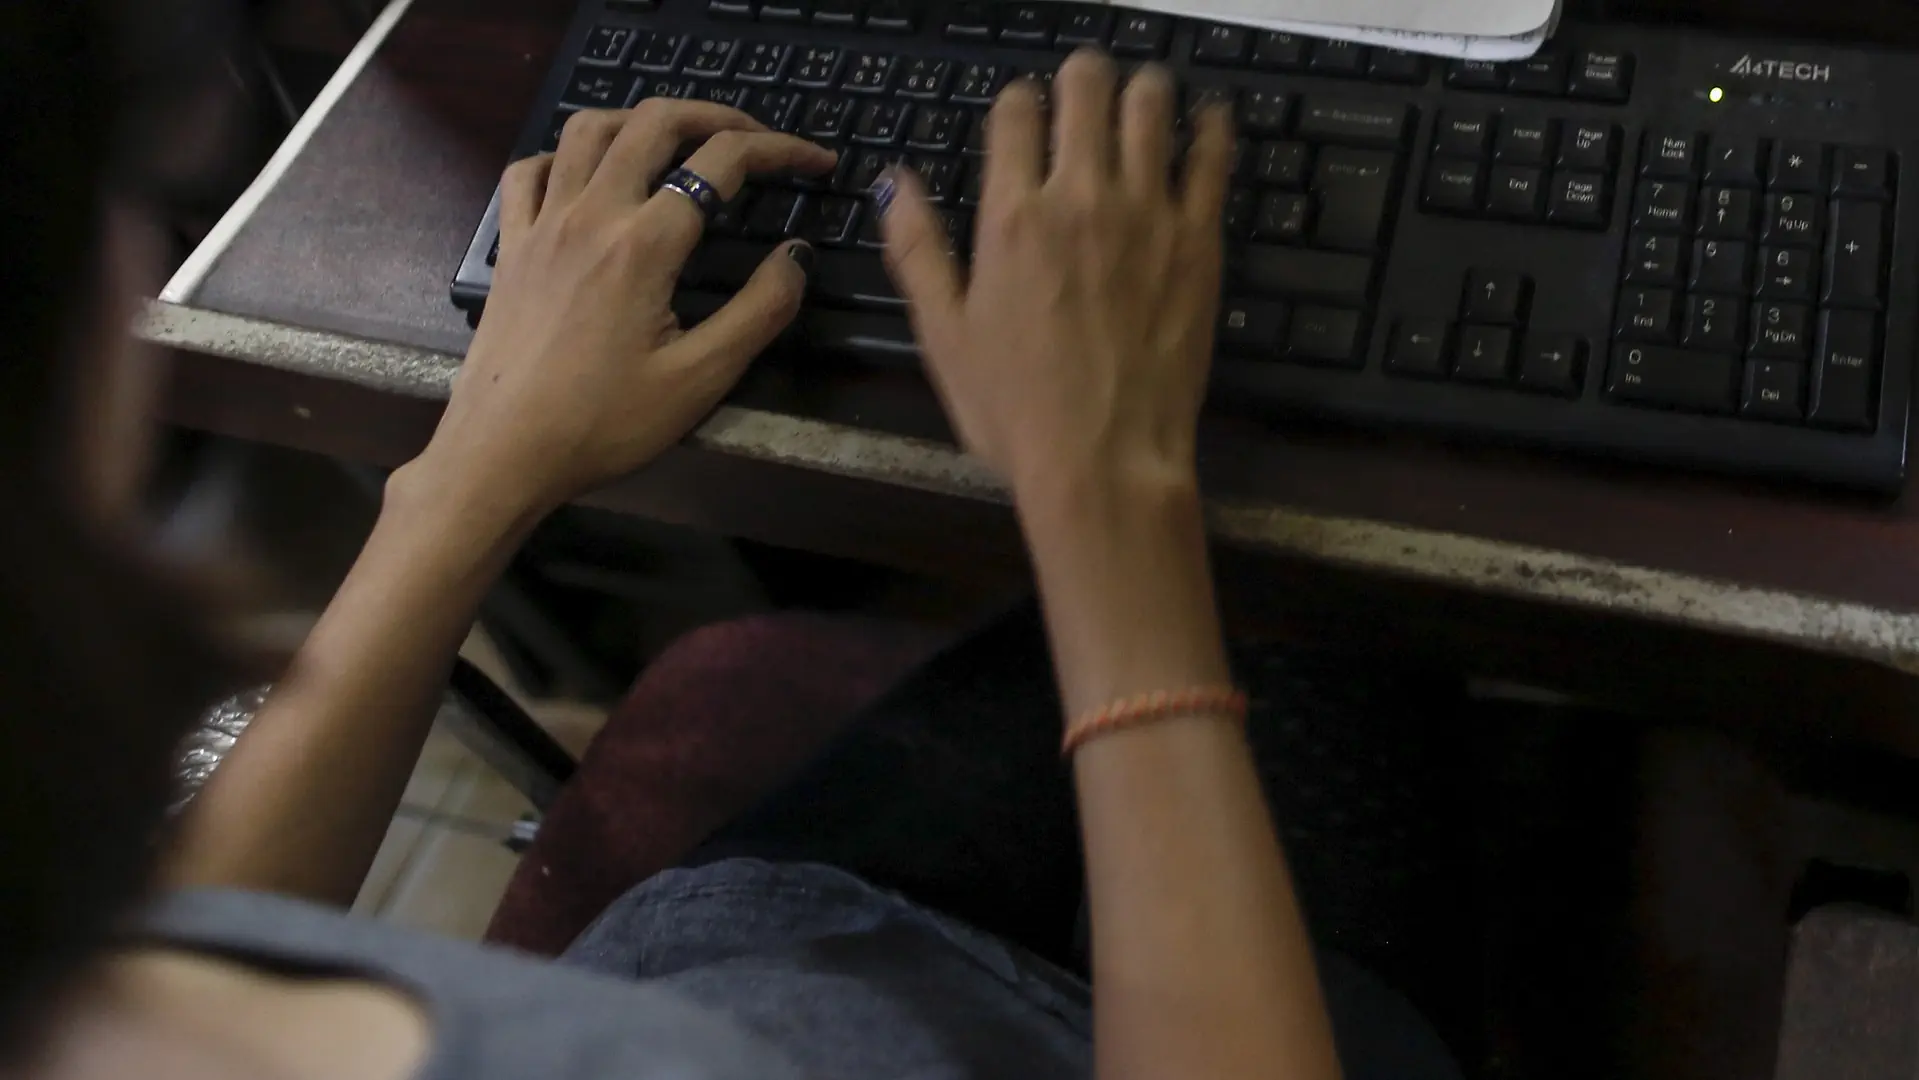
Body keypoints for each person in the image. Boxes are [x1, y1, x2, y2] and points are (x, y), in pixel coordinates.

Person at [1, 2, 1460, 1077]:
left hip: (781, 955)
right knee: (1343, 641)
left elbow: (193, 937)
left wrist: (469, 478)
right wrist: (1105, 502)